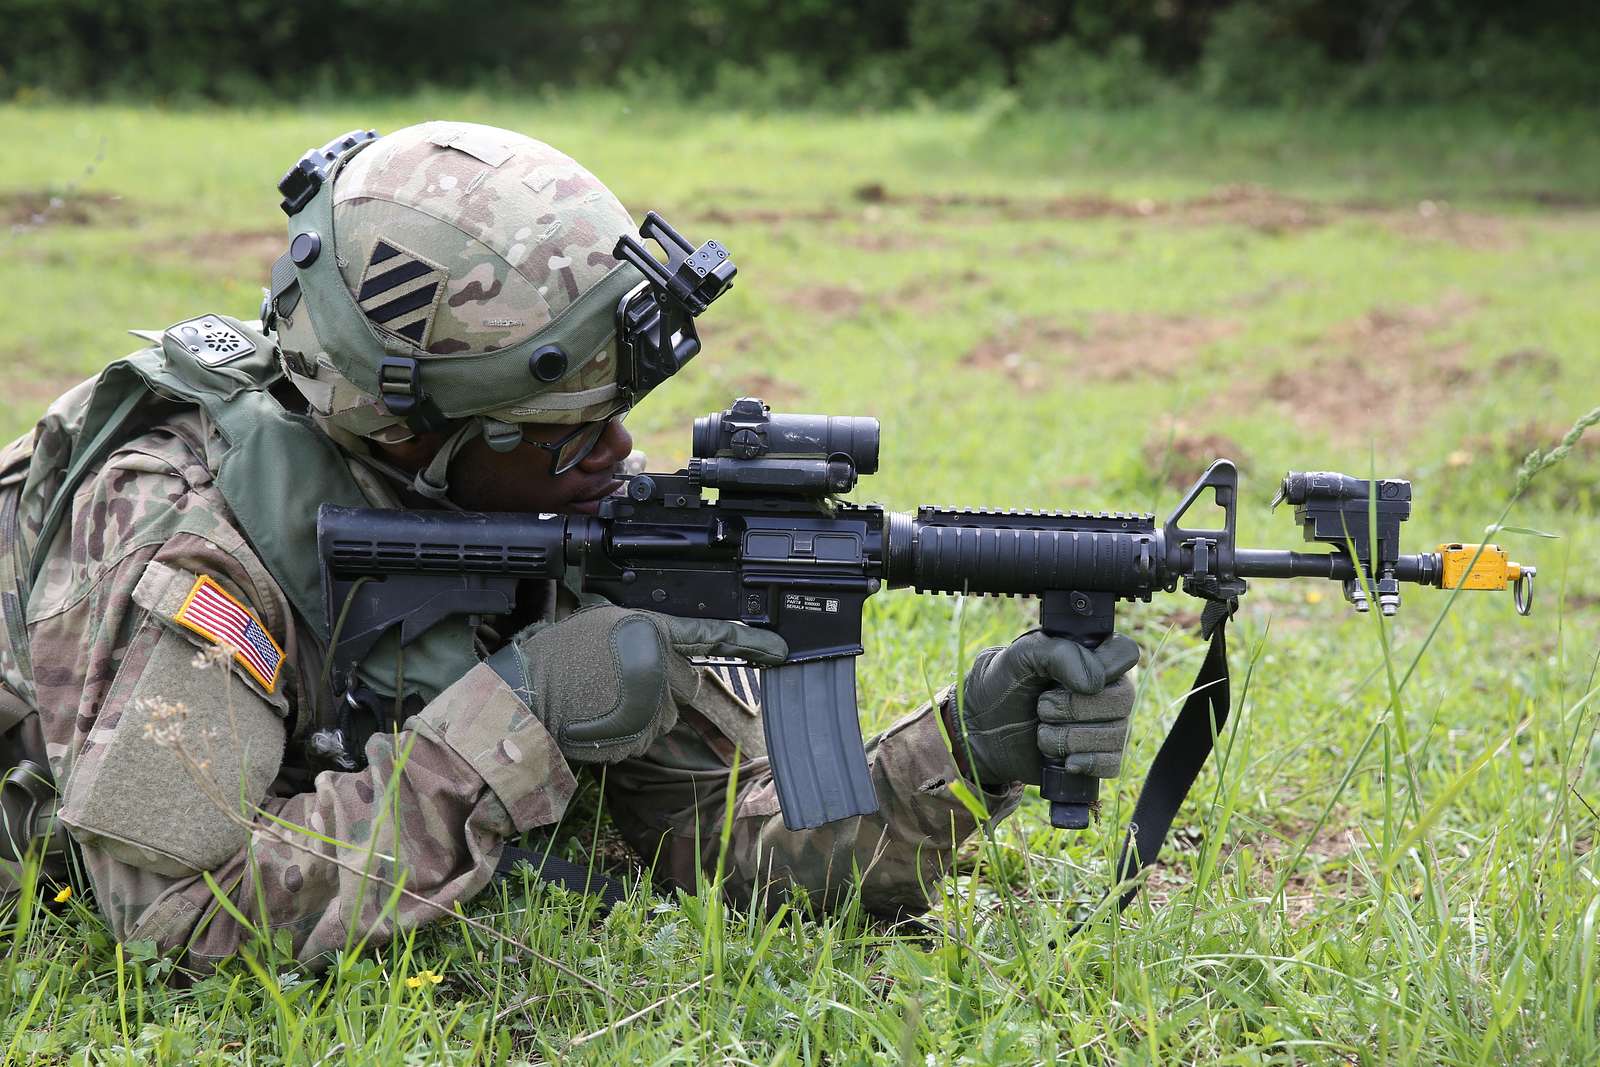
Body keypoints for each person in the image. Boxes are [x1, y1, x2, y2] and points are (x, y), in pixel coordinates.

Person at [0, 122, 1138, 970]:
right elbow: (180, 915)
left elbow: (711, 833)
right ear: (420, 436)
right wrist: (518, 715)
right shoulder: (189, 532)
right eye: (562, 431)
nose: (619, 449)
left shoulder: (550, 522)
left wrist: (962, 753)